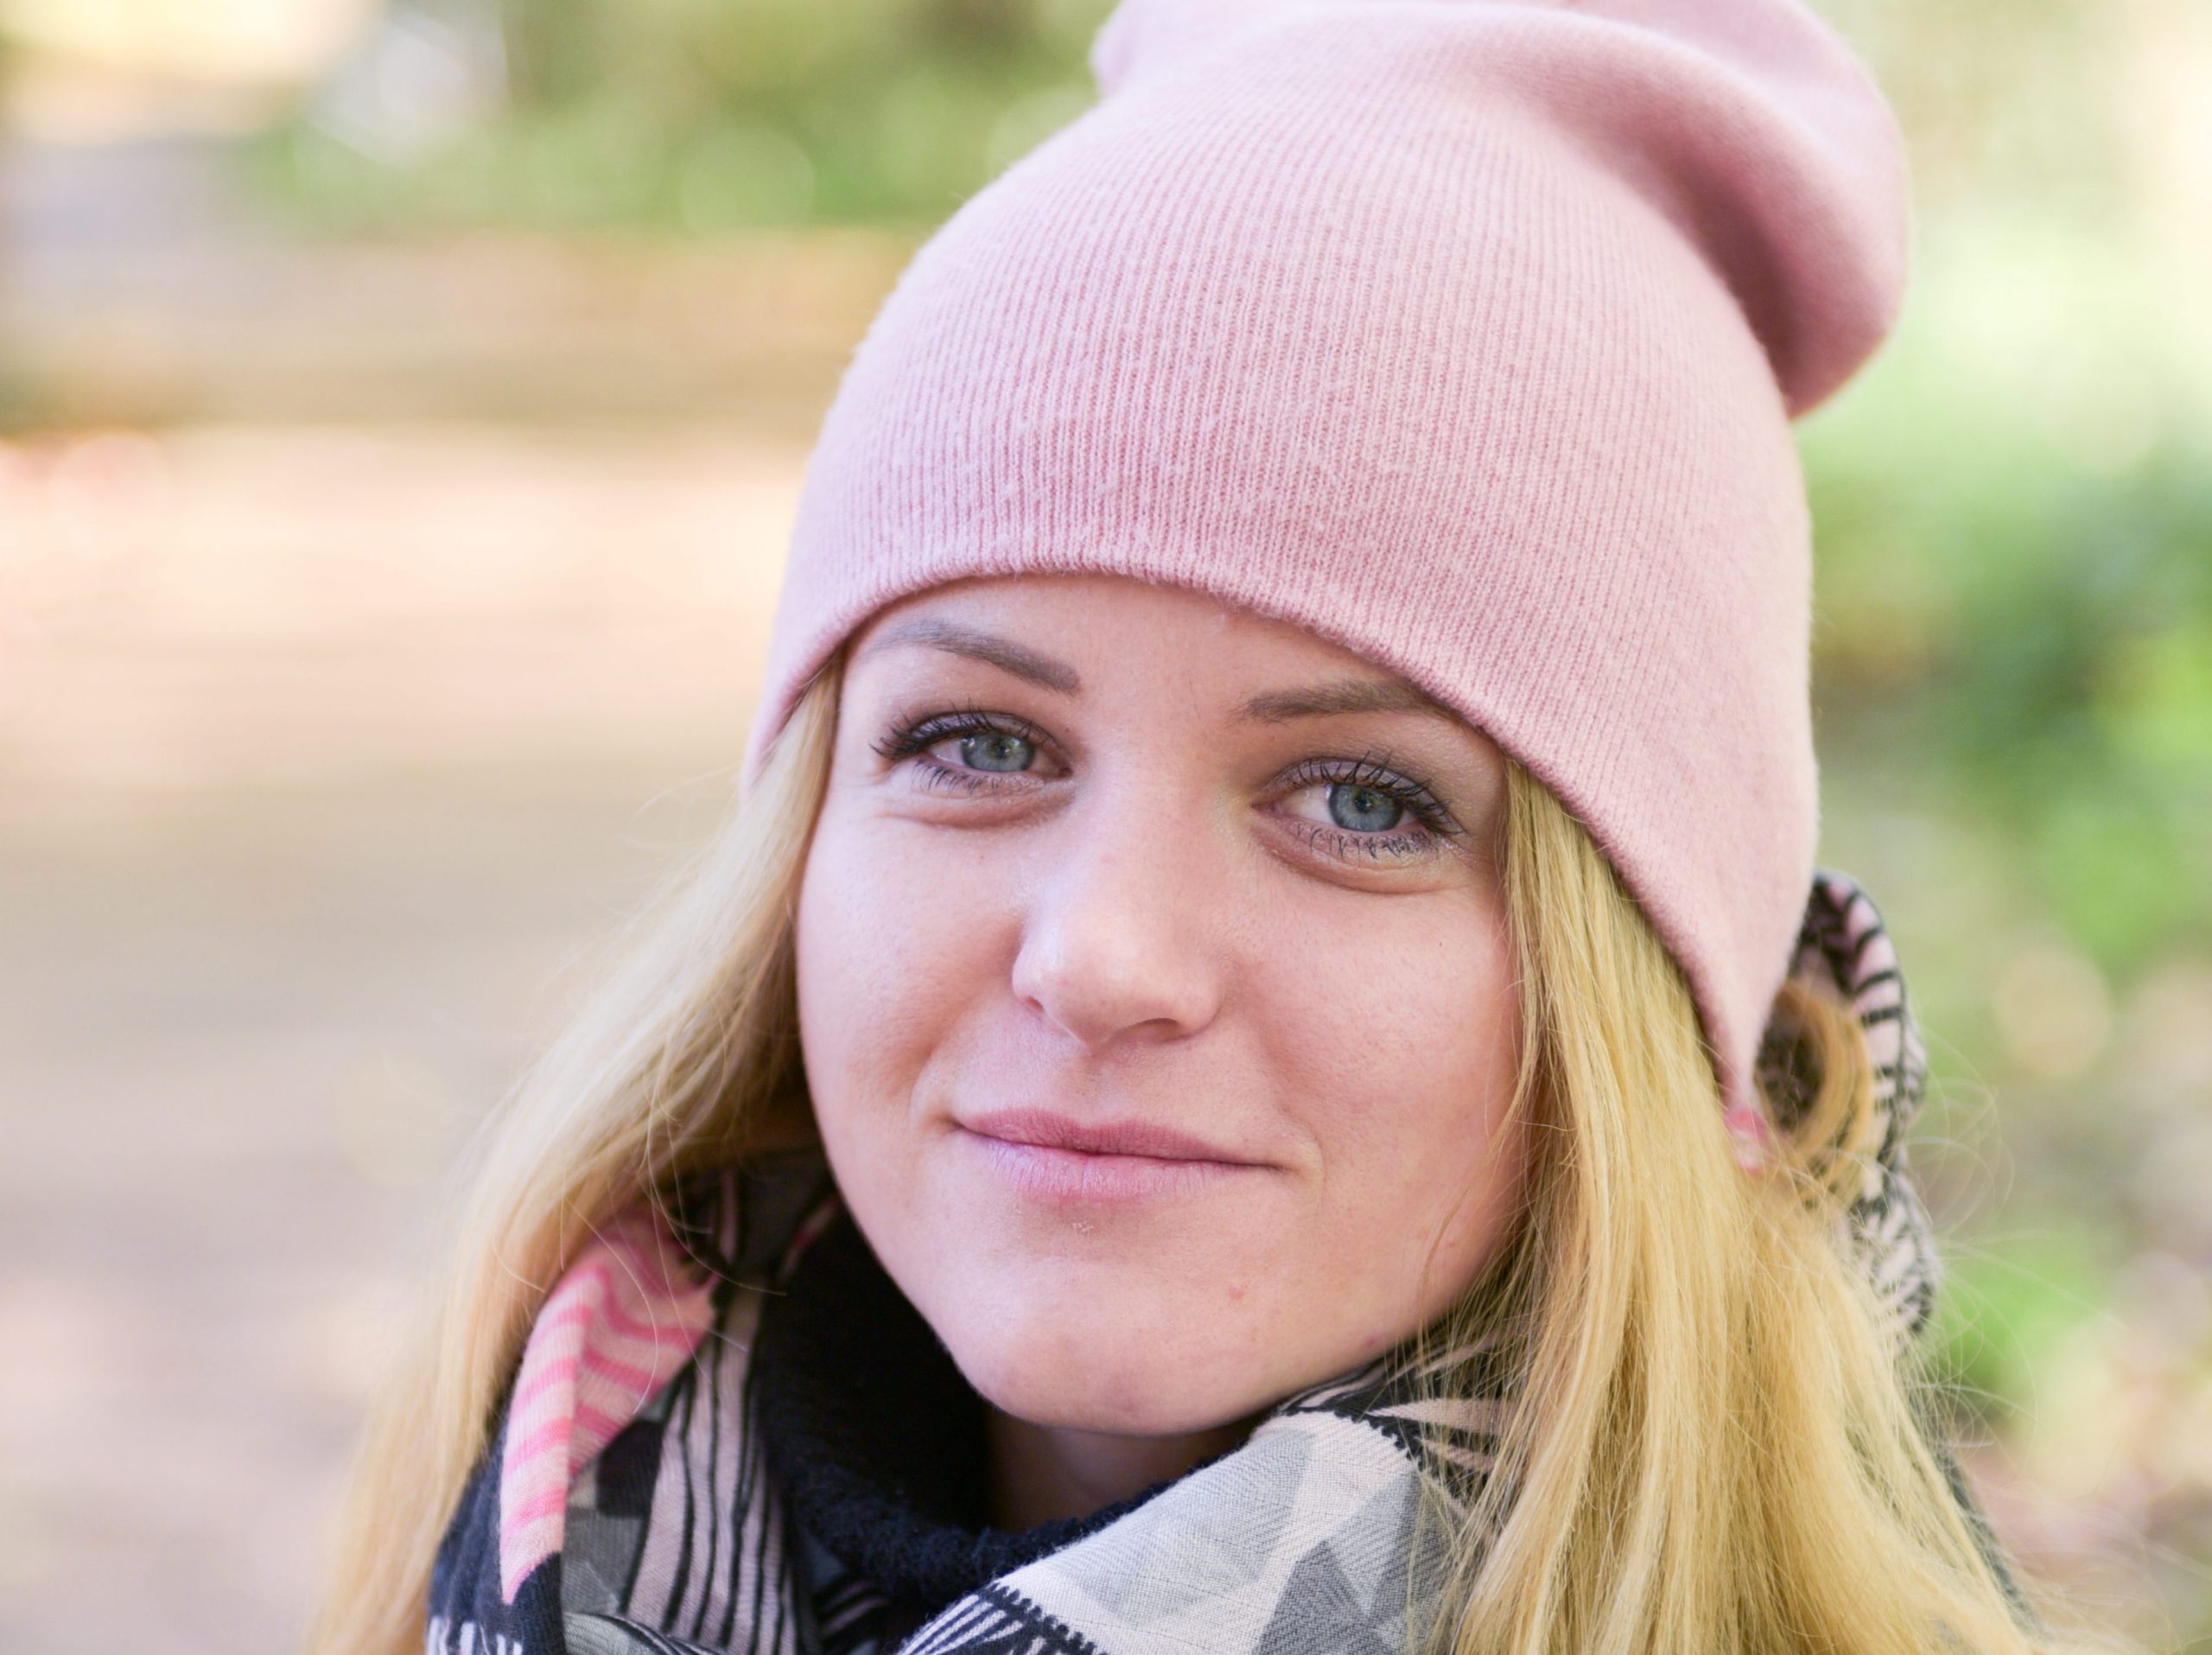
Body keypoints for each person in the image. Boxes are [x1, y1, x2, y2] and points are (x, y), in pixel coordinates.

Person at [308, 2, 2131, 1651]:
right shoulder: (518, 1557)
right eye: (976, 742)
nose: (1100, 957)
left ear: (1645, 984)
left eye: (1361, 801)